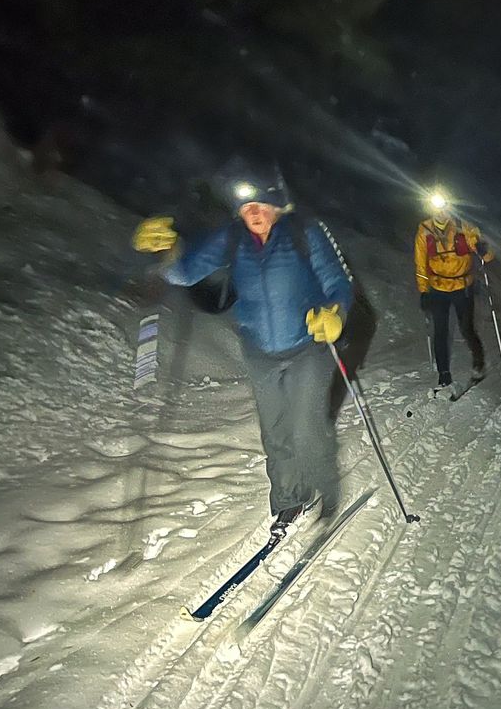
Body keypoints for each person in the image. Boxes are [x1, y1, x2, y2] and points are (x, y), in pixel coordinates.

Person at [131, 156, 353, 533]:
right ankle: (289, 499)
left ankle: (326, 490)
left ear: (277, 204)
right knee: (275, 431)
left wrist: (336, 313)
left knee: (305, 426)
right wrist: (166, 251)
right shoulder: (233, 238)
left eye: (260, 204)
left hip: (309, 345)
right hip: (259, 350)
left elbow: (338, 282)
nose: (253, 213)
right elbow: (186, 271)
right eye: (246, 207)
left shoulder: (305, 233)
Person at [414, 190, 493, 394]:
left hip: (462, 287)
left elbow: (486, 254)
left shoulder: (463, 227)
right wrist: (423, 291)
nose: (441, 212)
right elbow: (421, 265)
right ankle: (444, 375)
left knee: (466, 329)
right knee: (440, 331)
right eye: (436, 208)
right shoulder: (424, 231)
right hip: (438, 288)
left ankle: (479, 364)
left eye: (444, 207)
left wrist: (483, 250)